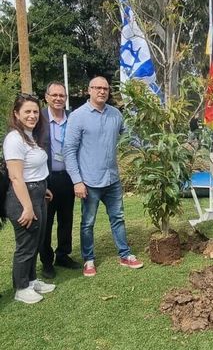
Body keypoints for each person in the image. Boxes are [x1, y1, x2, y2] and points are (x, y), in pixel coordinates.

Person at [63, 76, 143, 277]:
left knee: (118, 218)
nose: (102, 91)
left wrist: (147, 146)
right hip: (89, 181)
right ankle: (88, 259)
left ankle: (125, 254)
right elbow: (69, 150)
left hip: (112, 179)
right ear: (89, 90)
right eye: (97, 88)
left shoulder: (115, 114)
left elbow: (129, 137)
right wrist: (77, 181)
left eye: (105, 88)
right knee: (88, 222)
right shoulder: (78, 116)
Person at [3, 93, 56, 304]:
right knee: (25, 245)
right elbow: (16, 177)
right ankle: (21, 287)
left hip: (37, 192)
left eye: (35, 111)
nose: (32, 115)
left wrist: (44, 188)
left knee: (36, 240)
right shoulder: (14, 139)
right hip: (22, 198)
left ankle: (32, 280)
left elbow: (33, 169)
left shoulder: (30, 136)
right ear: (16, 114)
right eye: (27, 111)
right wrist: (27, 207)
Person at [39, 81, 81, 279]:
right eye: (54, 95)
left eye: (61, 95)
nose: (58, 99)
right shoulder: (38, 118)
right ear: (46, 97)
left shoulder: (72, 118)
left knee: (66, 218)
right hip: (46, 178)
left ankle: (63, 254)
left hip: (68, 177)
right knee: (46, 221)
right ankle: (46, 261)